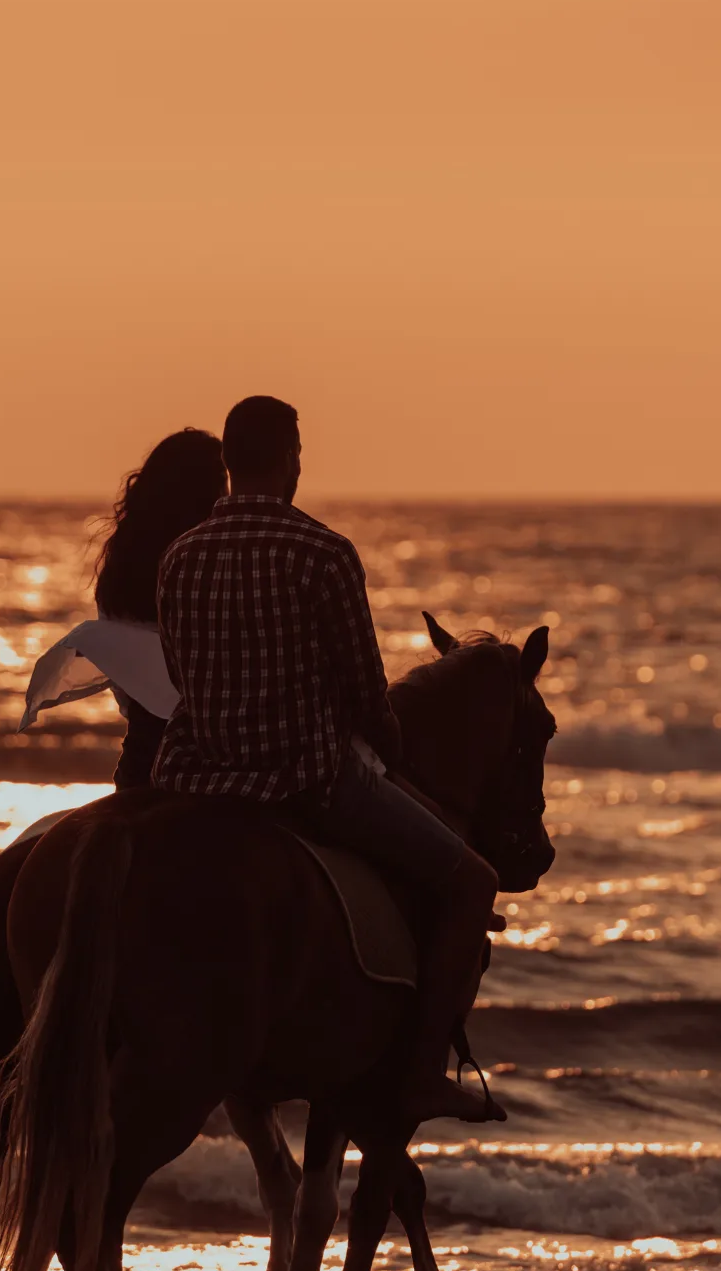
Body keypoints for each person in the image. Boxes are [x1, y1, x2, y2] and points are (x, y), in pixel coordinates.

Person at [152, 396, 503, 1124]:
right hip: (306, 780)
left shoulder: (180, 555)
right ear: (290, 459)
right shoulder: (324, 553)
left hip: (194, 778)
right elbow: (365, 690)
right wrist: (389, 745)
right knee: (472, 882)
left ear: (228, 462)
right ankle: (422, 1075)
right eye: (298, 453)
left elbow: (182, 677)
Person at [91, 428, 227, 789]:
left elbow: (127, 682)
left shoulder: (121, 570)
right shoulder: (212, 564)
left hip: (141, 759)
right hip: (214, 761)